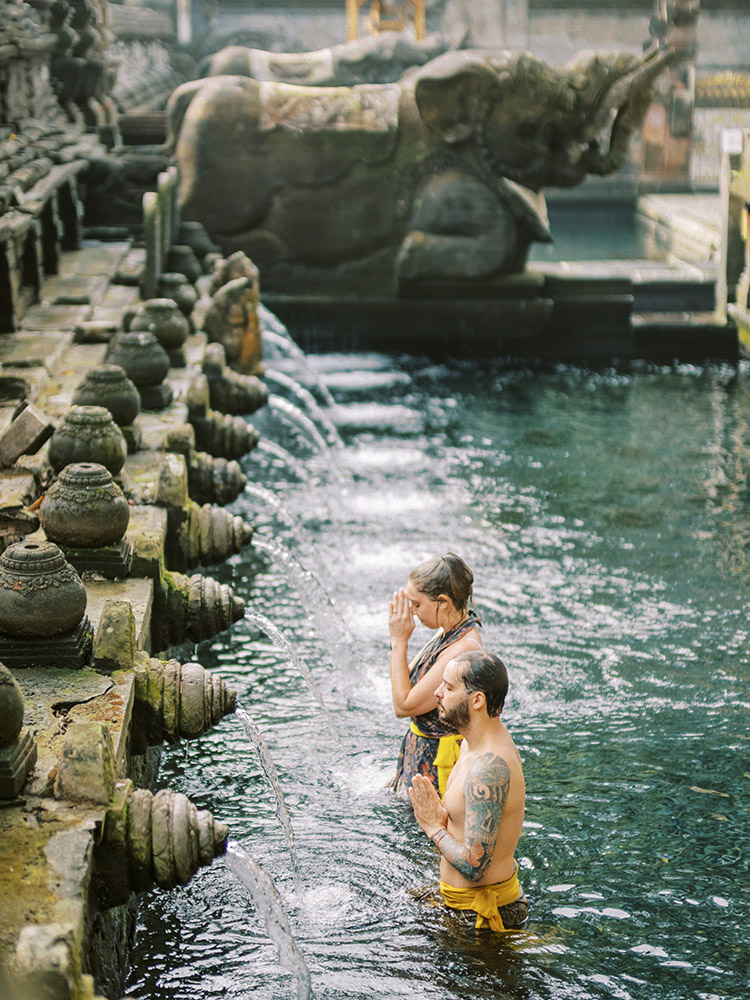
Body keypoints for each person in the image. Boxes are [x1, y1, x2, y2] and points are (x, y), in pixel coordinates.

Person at [408, 649, 529, 932]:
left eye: (448, 687)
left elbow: (475, 867)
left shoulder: (488, 767)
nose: (437, 692)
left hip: (480, 920)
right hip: (461, 904)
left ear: (477, 700)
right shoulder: (472, 742)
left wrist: (433, 827)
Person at [388, 553, 482, 798]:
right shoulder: (448, 633)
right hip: (422, 757)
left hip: (438, 769)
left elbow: (403, 705)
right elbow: (406, 684)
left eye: (417, 604)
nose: (413, 612)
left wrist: (399, 642)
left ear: (443, 602)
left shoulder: (463, 648)